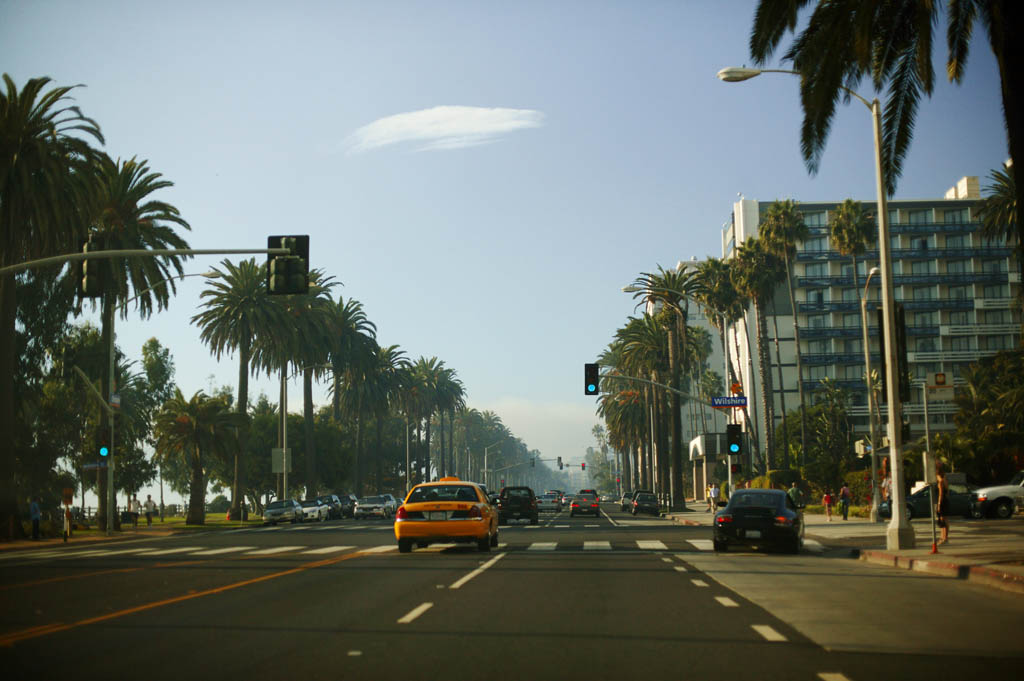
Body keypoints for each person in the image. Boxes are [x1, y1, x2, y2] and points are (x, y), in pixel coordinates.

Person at [936, 461, 950, 545]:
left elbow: (940, 494)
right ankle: (943, 537)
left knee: (943, 520)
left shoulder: (940, 482)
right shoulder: (944, 480)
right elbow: (947, 492)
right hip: (945, 500)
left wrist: (938, 504)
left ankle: (944, 537)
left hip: (942, 501)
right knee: (944, 519)